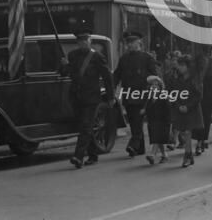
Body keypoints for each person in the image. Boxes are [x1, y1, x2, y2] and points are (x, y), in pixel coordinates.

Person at [61, 29, 114, 169]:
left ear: (90, 42)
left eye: (86, 41)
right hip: (76, 96)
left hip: (92, 97)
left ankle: (78, 156)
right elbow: (65, 73)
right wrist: (64, 65)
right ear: (78, 43)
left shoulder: (97, 57)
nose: (83, 43)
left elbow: (107, 77)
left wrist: (110, 97)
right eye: (81, 41)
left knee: (85, 126)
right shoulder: (72, 55)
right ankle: (93, 155)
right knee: (85, 127)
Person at [114, 31, 157, 157]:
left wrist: (154, 91)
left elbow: (155, 76)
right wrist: (112, 87)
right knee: (133, 121)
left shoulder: (147, 58)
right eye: (128, 43)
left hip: (142, 95)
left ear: (139, 43)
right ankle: (140, 148)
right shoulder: (124, 59)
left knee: (137, 120)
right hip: (128, 94)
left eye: (132, 42)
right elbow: (117, 75)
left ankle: (133, 145)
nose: (130, 45)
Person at [166, 54, 203, 168]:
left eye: (182, 65)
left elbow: (198, 95)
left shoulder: (194, 79)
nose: (180, 68)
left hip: (191, 109)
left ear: (188, 66)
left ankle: (187, 155)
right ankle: (189, 155)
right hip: (179, 108)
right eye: (179, 65)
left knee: (187, 132)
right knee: (183, 132)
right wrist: (177, 105)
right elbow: (172, 93)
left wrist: (188, 106)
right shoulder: (177, 79)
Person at [192, 45, 212, 155]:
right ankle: (201, 140)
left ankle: (202, 140)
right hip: (201, 94)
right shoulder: (199, 62)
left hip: (205, 94)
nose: (209, 53)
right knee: (201, 118)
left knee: (204, 117)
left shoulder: (211, 63)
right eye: (208, 50)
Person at [144, 75, 171, 165]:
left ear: (160, 86)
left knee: (157, 138)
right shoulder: (149, 97)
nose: (154, 87)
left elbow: (167, 110)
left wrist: (168, 121)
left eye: (156, 85)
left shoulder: (164, 96)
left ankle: (152, 155)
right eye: (152, 85)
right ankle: (164, 155)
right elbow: (148, 108)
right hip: (153, 122)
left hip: (162, 122)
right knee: (159, 140)